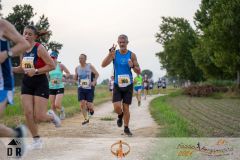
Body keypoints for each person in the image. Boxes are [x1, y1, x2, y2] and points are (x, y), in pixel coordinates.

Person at [13, 25, 61, 150]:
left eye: (29, 34)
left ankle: (52, 116)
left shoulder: (39, 48)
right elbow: (21, 68)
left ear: (35, 36)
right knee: (28, 113)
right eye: (25, 33)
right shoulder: (22, 50)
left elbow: (51, 65)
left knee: (39, 116)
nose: (26, 36)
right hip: (27, 82)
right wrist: (8, 69)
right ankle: (36, 140)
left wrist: (36, 71)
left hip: (40, 82)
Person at [0, 19, 30, 155]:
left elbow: (24, 44)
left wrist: (6, 54)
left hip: (3, 84)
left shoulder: (3, 25)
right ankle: (16, 133)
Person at [102, 34, 141, 136]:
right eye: (120, 42)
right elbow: (103, 65)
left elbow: (138, 71)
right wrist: (110, 54)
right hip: (117, 84)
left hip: (128, 85)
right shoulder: (114, 54)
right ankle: (120, 115)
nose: (122, 44)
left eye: (124, 42)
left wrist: (132, 66)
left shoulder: (132, 55)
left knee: (126, 107)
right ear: (118, 43)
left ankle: (126, 128)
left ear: (127, 43)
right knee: (117, 107)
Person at [75, 54, 99, 125]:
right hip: (81, 87)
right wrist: (74, 77)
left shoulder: (89, 66)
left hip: (89, 87)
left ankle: (91, 110)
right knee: (82, 103)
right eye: (79, 58)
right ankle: (86, 119)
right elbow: (75, 78)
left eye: (82, 58)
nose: (80, 60)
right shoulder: (77, 68)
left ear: (85, 59)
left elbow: (97, 74)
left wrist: (94, 82)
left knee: (89, 105)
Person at [49, 51, 70, 120]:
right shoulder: (49, 66)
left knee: (57, 104)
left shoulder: (60, 65)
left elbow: (68, 73)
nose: (52, 59)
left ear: (56, 58)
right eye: (51, 57)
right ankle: (55, 119)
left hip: (60, 86)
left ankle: (62, 110)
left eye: (54, 57)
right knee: (52, 105)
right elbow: (46, 75)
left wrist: (64, 76)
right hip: (51, 87)